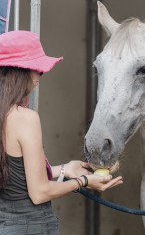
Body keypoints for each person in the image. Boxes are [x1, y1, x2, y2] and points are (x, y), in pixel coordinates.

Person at [0, 30, 123, 235]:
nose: (41, 75)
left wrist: (66, 169)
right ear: (22, 71)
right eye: (38, 69)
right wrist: (84, 181)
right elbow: (39, 192)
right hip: (31, 227)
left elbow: (19, 177)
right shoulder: (25, 118)